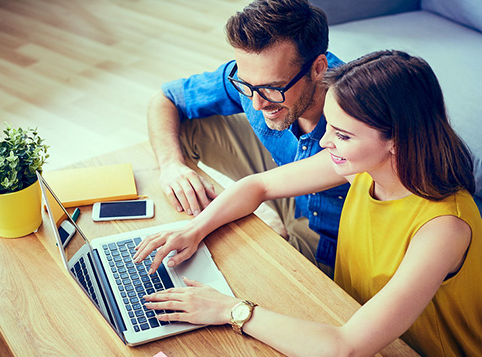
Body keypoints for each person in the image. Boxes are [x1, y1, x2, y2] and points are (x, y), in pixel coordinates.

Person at [134, 50, 482, 355]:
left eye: (343, 135)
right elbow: (257, 186)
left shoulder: (443, 227)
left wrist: (230, 310)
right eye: (330, 126)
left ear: (397, 140)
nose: (326, 141)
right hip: (345, 316)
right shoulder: (364, 167)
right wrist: (193, 230)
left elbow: (346, 347)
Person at [147, 0, 350, 275]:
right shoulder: (255, 79)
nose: (256, 104)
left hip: (334, 234)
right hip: (286, 185)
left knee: (249, 277)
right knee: (182, 130)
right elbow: (165, 99)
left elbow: (259, 187)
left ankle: (285, 238)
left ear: (318, 68)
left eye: (272, 88)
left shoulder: (357, 113)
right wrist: (172, 166)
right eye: (247, 86)